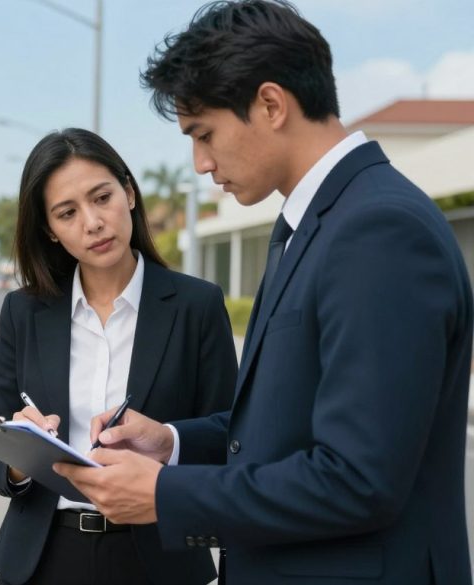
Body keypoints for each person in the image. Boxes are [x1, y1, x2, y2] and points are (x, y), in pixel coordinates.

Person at [54, 2, 474, 584]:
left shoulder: (379, 231)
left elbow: (358, 480)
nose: (200, 163)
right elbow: (283, 428)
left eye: (204, 134)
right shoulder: (308, 226)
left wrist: (167, 494)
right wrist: (171, 442)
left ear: (271, 104)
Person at [0, 127, 238, 585]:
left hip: (160, 556)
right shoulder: (24, 311)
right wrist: (20, 457)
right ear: (50, 232)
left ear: (129, 194)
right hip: (42, 558)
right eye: (67, 213)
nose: (92, 222)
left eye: (102, 198)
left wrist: (169, 440)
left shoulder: (197, 306)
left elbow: (231, 435)